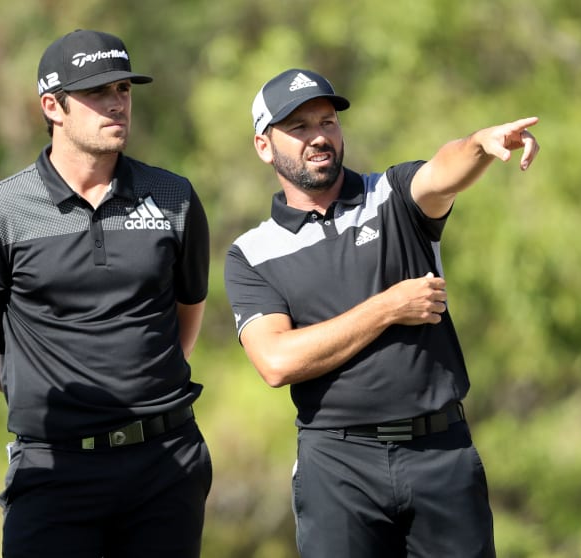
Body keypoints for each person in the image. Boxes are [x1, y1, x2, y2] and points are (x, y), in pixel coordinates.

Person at [223, 68, 540, 557]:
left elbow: (443, 170)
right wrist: (389, 307)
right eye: (299, 127)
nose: (319, 137)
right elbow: (277, 362)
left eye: (327, 122)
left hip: (440, 453)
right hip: (338, 466)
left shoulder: (392, 195)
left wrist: (479, 144)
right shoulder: (252, 253)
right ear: (264, 146)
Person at [0, 29, 212, 558]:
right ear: (53, 106)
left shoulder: (174, 197)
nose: (117, 103)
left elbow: (185, 320)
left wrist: (137, 387)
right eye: (97, 92)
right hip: (54, 470)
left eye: (123, 89)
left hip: (167, 463)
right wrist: (60, 395)